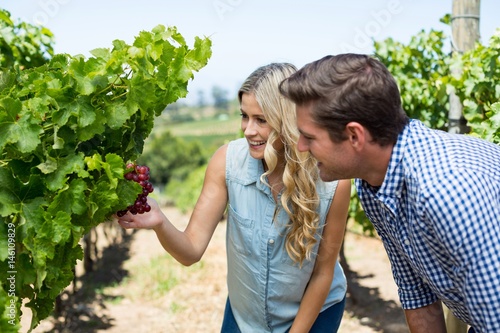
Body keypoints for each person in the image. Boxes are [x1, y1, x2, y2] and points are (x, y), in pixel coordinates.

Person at [116, 63, 351, 333]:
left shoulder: (334, 180)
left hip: (315, 313)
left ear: (289, 121)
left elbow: (323, 273)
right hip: (246, 316)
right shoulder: (226, 162)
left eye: (261, 120)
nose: (248, 130)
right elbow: (190, 251)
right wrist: (159, 221)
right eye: (244, 117)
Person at [278, 53, 500, 333]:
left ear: (355, 136)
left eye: (309, 137)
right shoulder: (373, 185)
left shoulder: (443, 191)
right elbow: (416, 293)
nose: (300, 146)